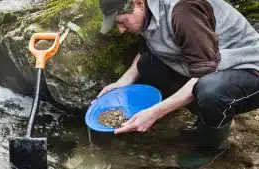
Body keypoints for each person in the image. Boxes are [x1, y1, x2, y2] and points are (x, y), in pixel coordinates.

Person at [94, 0, 259, 168]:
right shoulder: (147, 14)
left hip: (248, 68)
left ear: (138, 3)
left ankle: (214, 146)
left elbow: (204, 74)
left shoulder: (183, 12)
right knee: (148, 65)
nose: (121, 30)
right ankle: (207, 120)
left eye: (121, 22)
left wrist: (154, 113)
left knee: (210, 92)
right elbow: (147, 50)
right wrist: (122, 82)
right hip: (212, 66)